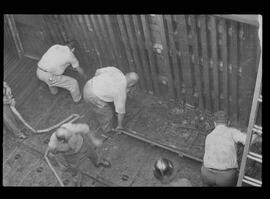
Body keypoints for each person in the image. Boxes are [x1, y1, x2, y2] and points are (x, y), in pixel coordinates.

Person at [201, 111, 261, 187]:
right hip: (225, 177)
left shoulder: (209, 136)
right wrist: (257, 135)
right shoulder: (232, 132)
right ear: (228, 123)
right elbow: (248, 140)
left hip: (207, 174)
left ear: (214, 123)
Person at [83, 66, 139, 134]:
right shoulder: (121, 92)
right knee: (107, 114)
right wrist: (120, 126)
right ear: (131, 84)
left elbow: (98, 71)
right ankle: (107, 130)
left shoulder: (116, 71)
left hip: (88, 84)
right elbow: (121, 112)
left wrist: (101, 83)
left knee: (112, 98)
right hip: (93, 96)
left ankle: (110, 108)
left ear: (127, 74)